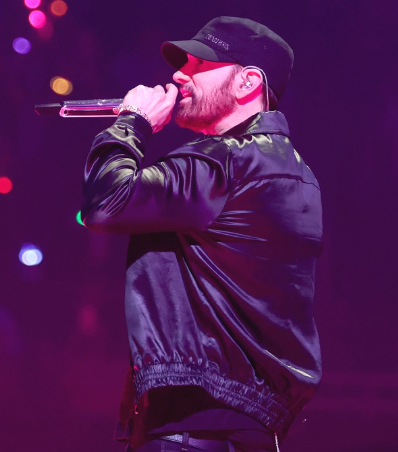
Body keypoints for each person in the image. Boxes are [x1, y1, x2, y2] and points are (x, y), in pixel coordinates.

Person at [81, 17, 322, 452]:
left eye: (200, 64)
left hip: (189, 430)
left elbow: (105, 201)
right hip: (250, 428)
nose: (179, 75)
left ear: (249, 82)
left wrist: (132, 123)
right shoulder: (298, 174)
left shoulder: (223, 161)